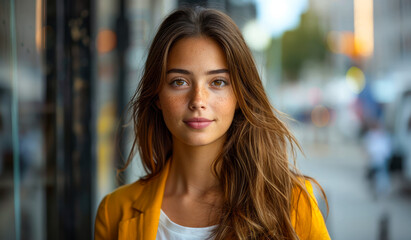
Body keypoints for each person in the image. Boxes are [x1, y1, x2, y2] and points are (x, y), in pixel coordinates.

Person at [95, 7, 330, 240]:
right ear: (157, 95)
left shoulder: (293, 203)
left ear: (240, 95)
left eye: (217, 82)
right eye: (179, 82)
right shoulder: (114, 211)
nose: (198, 100)